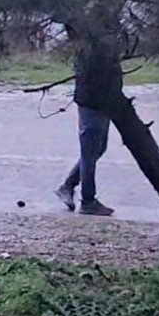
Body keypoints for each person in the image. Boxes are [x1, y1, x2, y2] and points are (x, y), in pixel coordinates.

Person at [54, 39, 120, 217]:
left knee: (98, 148)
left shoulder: (104, 40)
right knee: (90, 151)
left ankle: (68, 185)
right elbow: (92, 75)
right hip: (92, 101)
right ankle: (88, 200)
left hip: (102, 101)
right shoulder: (90, 45)